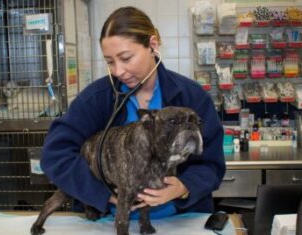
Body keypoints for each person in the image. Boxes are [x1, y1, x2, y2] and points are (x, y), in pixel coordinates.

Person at [41, 6, 225, 218]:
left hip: (180, 220)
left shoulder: (191, 96)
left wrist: (184, 187)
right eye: (110, 62)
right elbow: (55, 155)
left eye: (126, 58)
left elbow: (212, 164)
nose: (118, 71)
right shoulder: (95, 99)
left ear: (152, 45)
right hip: (109, 222)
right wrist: (101, 193)